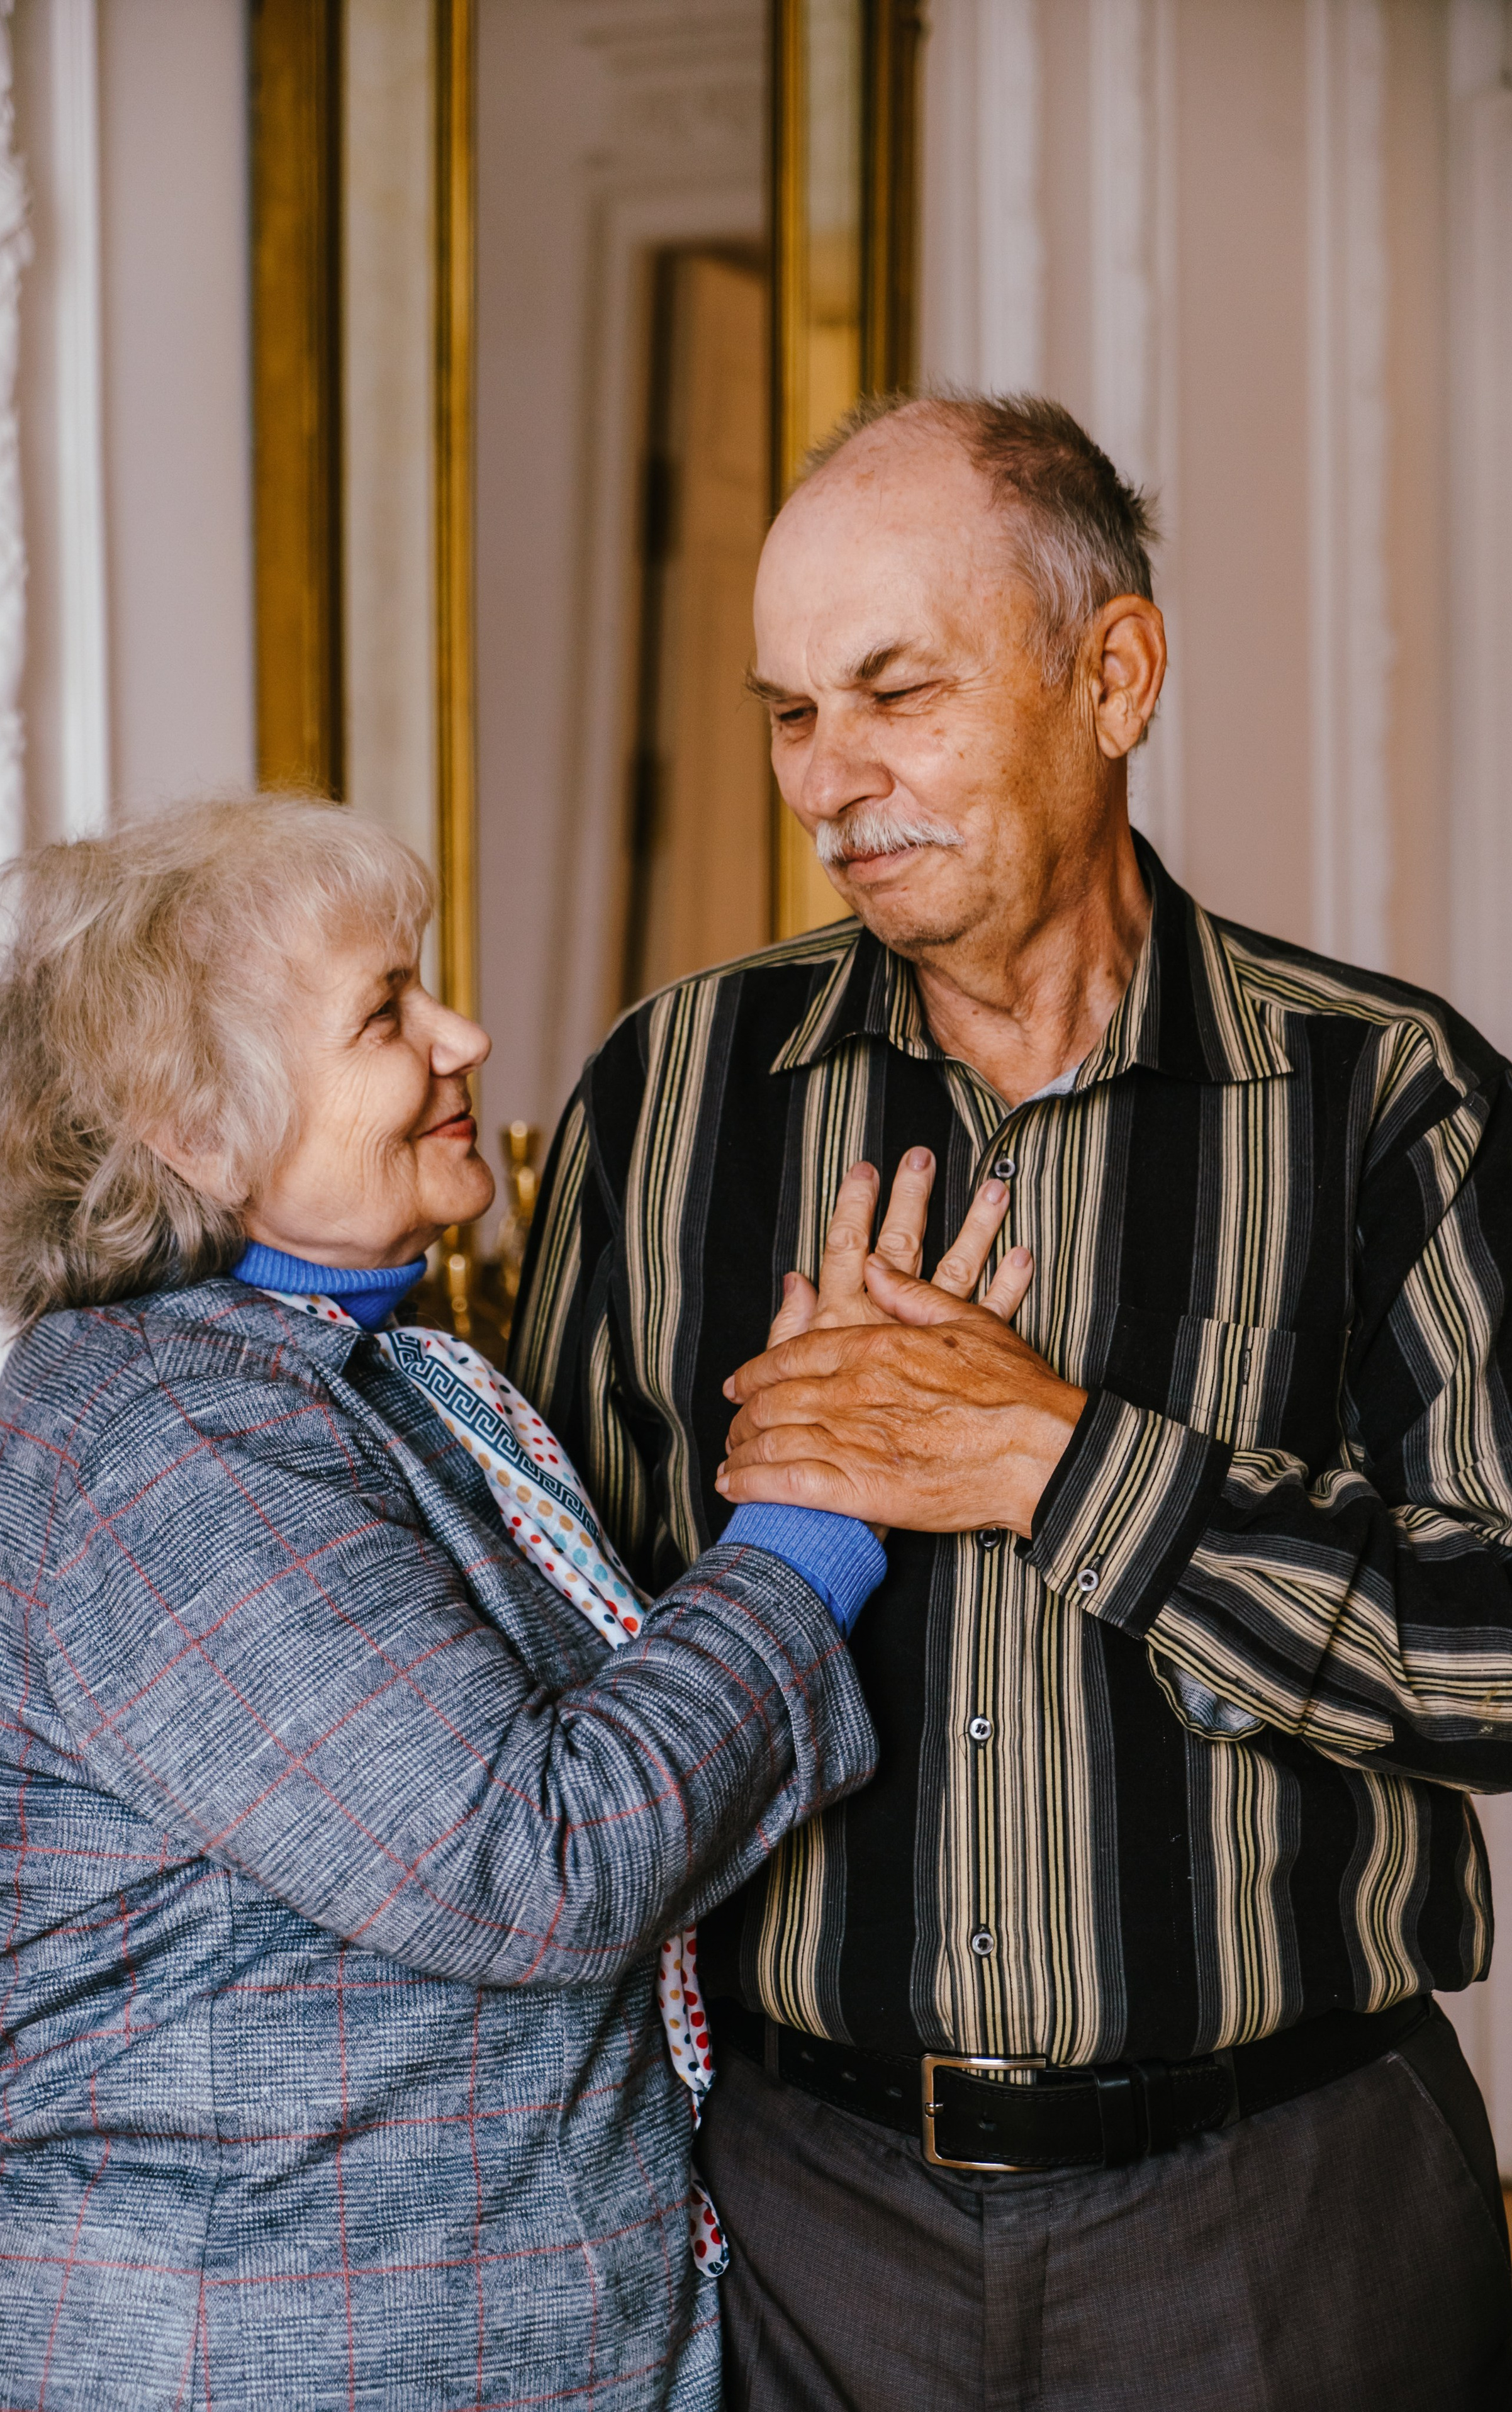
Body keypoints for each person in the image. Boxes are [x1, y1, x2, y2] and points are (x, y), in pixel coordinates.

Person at [510, 393, 1512, 2410]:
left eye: (898, 690)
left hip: (1287, 2218)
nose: (833, 779)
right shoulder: (672, 1094)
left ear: (1114, 674)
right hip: (800, 2218)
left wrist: (1056, 1461)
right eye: (793, 711)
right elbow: (549, 1688)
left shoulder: (1387, 1095)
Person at [0, 795, 1031, 2410]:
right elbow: (534, 1861)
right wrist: (816, 1516)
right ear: (191, 1121)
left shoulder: (363, 1384)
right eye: (387, 1012)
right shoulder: (159, 1442)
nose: (467, 1034)